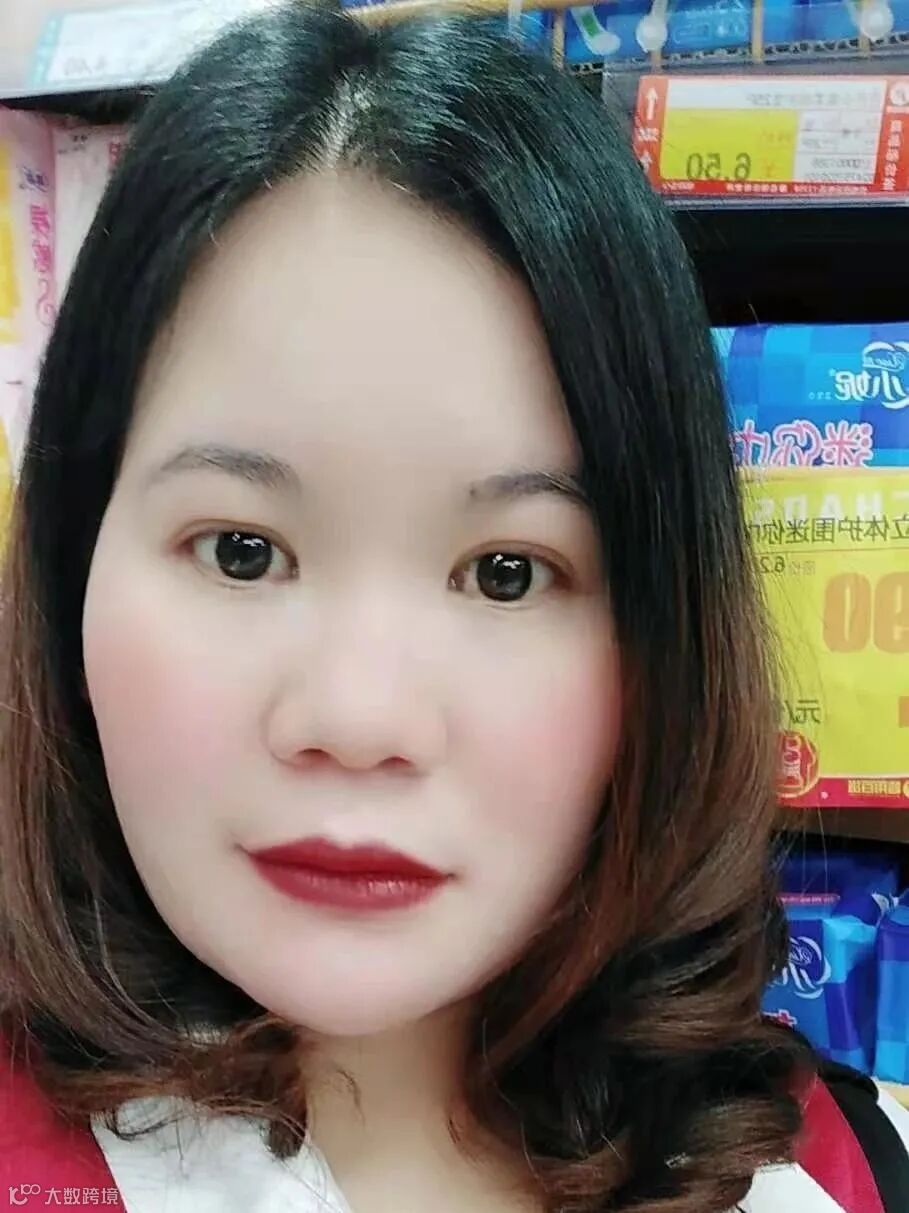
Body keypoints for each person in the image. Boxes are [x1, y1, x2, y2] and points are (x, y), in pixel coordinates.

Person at [0, 5, 905, 1213]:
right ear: (72, 571)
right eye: (242, 552)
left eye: (506, 572)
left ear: (664, 639)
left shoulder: (827, 1169)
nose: (359, 717)